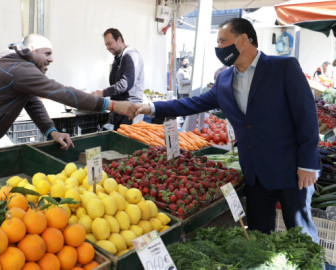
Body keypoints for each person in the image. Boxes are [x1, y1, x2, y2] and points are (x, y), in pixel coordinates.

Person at [132, 18, 320, 243]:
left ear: (242, 40)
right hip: (254, 174)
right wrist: (152, 107)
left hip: (291, 170)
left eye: (223, 41)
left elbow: (307, 117)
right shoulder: (223, 79)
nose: (218, 48)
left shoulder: (283, 67)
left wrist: (307, 164)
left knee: (301, 237)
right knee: (259, 238)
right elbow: (193, 104)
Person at [0, 34, 138, 151]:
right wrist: (111, 104)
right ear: (32, 49)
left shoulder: (18, 67)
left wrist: (50, 130)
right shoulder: (20, 69)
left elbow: (32, 102)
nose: (51, 59)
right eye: (47, 53)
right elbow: (62, 92)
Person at [91, 28, 145, 130]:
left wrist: (102, 93)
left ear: (119, 40)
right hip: (120, 109)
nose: (107, 47)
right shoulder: (119, 59)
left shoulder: (131, 56)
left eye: (109, 43)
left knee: (127, 143)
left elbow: (125, 83)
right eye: (106, 45)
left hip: (130, 110)